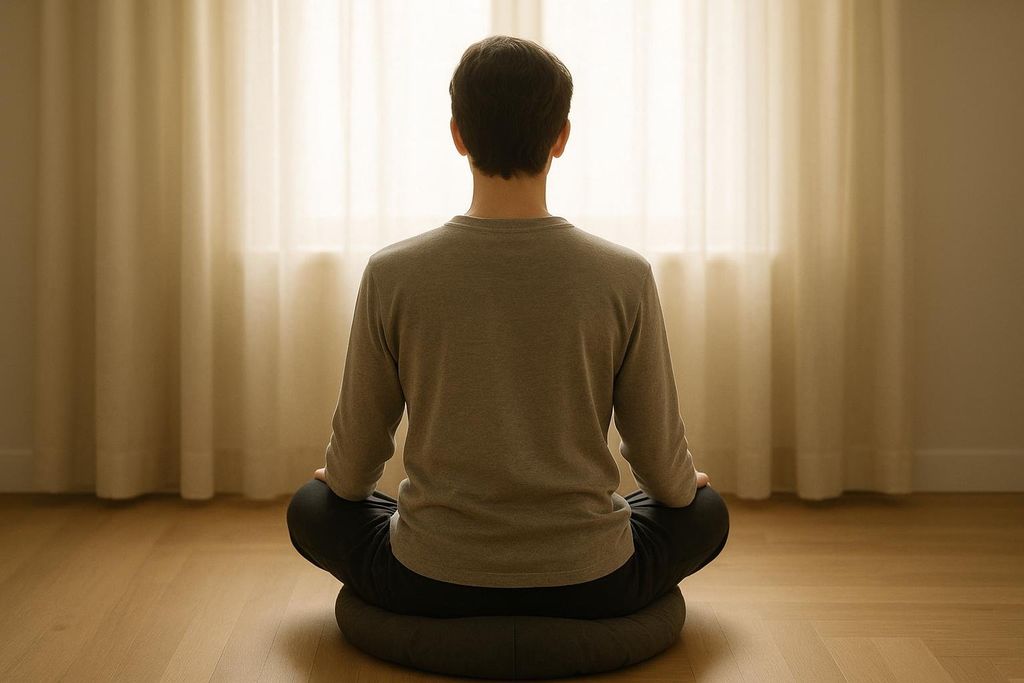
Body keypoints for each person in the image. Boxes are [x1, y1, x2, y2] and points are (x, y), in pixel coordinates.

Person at [286, 34, 729, 619]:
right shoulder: (625, 274)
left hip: (430, 576)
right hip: (591, 578)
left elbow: (353, 467)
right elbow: (662, 466)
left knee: (311, 507)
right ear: (562, 137)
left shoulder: (392, 272)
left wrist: (340, 487)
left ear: (458, 135)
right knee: (705, 511)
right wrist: (679, 488)